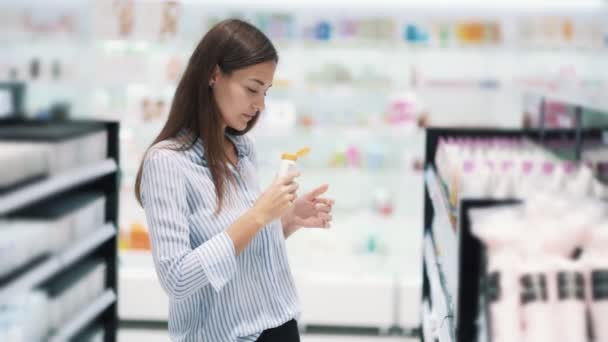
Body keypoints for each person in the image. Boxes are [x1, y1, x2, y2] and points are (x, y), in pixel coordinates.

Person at [134, 18, 334, 342]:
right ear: (214, 75)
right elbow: (177, 278)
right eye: (252, 89)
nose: (260, 105)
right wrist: (257, 216)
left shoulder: (243, 149)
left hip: (281, 323)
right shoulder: (167, 163)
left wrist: (284, 221)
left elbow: (242, 248)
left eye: (265, 92)